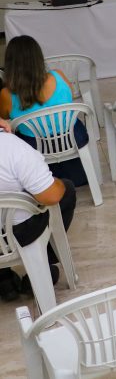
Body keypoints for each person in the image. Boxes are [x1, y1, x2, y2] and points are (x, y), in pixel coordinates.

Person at [0, 35, 90, 187]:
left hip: (35, 146)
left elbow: (3, 117)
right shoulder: (58, 76)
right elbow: (70, 93)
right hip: (71, 137)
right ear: (39, 58)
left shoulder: (7, 95)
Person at [0, 126, 77, 302]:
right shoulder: (13, 148)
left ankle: (4, 280)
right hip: (19, 232)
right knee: (66, 190)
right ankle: (42, 265)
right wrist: (54, 183)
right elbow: (50, 196)